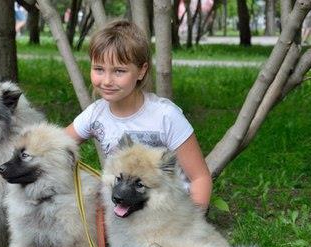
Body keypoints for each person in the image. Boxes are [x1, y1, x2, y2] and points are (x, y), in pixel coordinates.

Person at [65, 20, 212, 210]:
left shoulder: (166, 116)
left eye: (119, 71)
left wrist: (192, 224)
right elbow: (55, 146)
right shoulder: (95, 114)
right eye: (99, 69)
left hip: (170, 212)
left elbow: (200, 178)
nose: (107, 80)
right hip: (124, 204)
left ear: (142, 71)